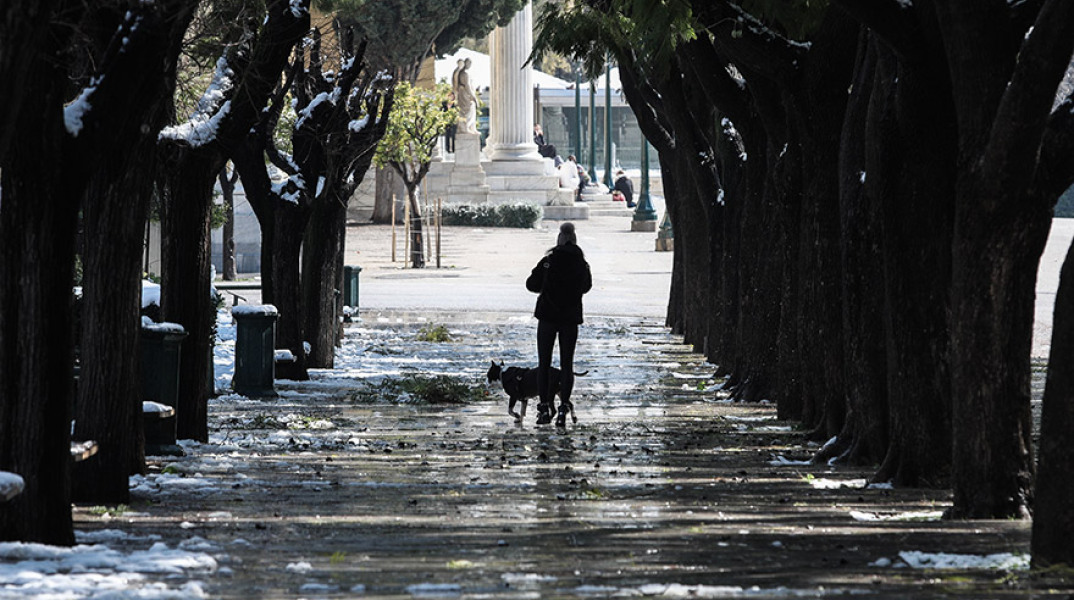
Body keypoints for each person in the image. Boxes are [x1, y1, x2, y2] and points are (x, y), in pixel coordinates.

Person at [526, 222, 593, 426]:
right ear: (574, 240)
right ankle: (563, 407)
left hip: (547, 316)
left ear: (559, 239)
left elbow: (531, 284)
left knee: (544, 364)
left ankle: (544, 407)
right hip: (569, 318)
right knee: (567, 364)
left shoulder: (548, 261)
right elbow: (586, 287)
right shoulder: (581, 263)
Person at [454, 58, 478, 134]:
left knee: (472, 109)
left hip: (465, 93)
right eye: (468, 63)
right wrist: (473, 96)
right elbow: (467, 86)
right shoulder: (464, 73)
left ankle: (472, 127)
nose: (470, 65)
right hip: (465, 94)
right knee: (467, 110)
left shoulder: (464, 73)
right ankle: (465, 127)